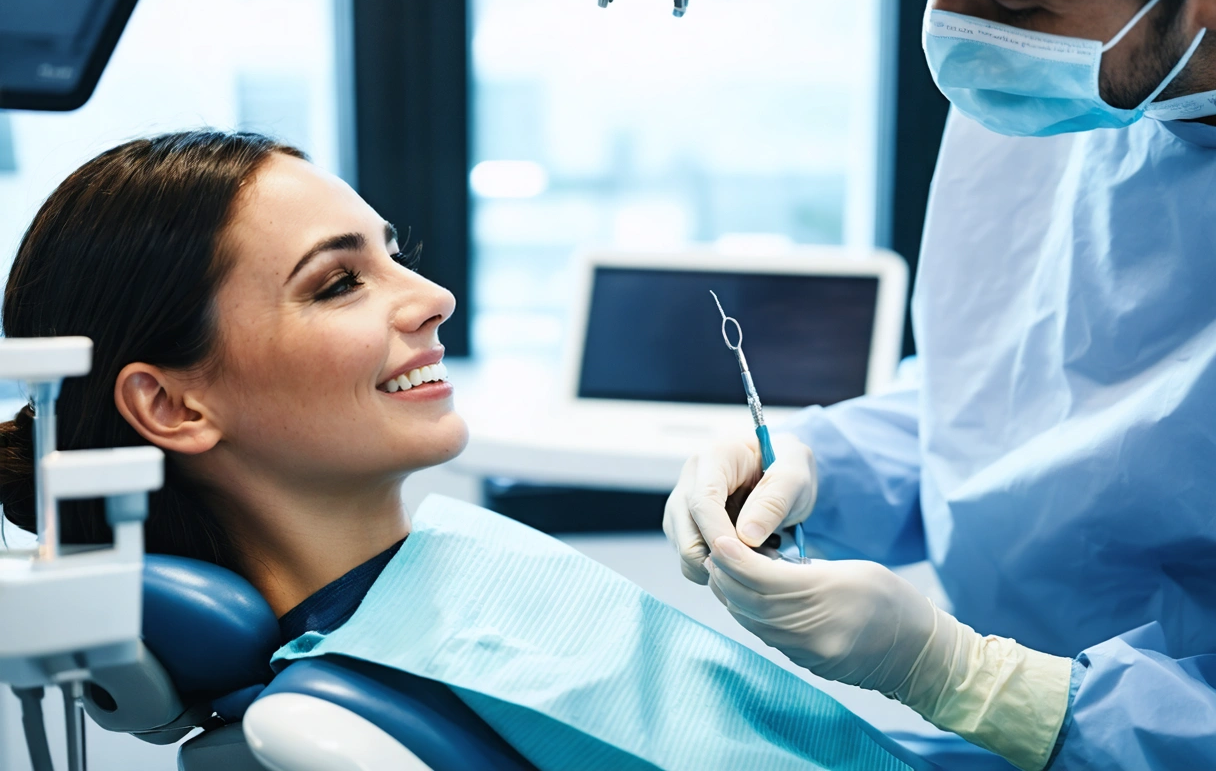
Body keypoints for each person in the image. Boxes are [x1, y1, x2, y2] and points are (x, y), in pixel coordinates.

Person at [0, 131, 928, 771]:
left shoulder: (452, 572)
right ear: (172, 404)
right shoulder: (357, 699)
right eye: (337, 284)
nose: (433, 295)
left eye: (395, 253)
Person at [664, 0, 1216, 769]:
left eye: (1018, 4)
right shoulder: (1057, 90)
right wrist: (822, 469)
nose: (954, 32)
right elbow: (1003, 393)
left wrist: (976, 682)